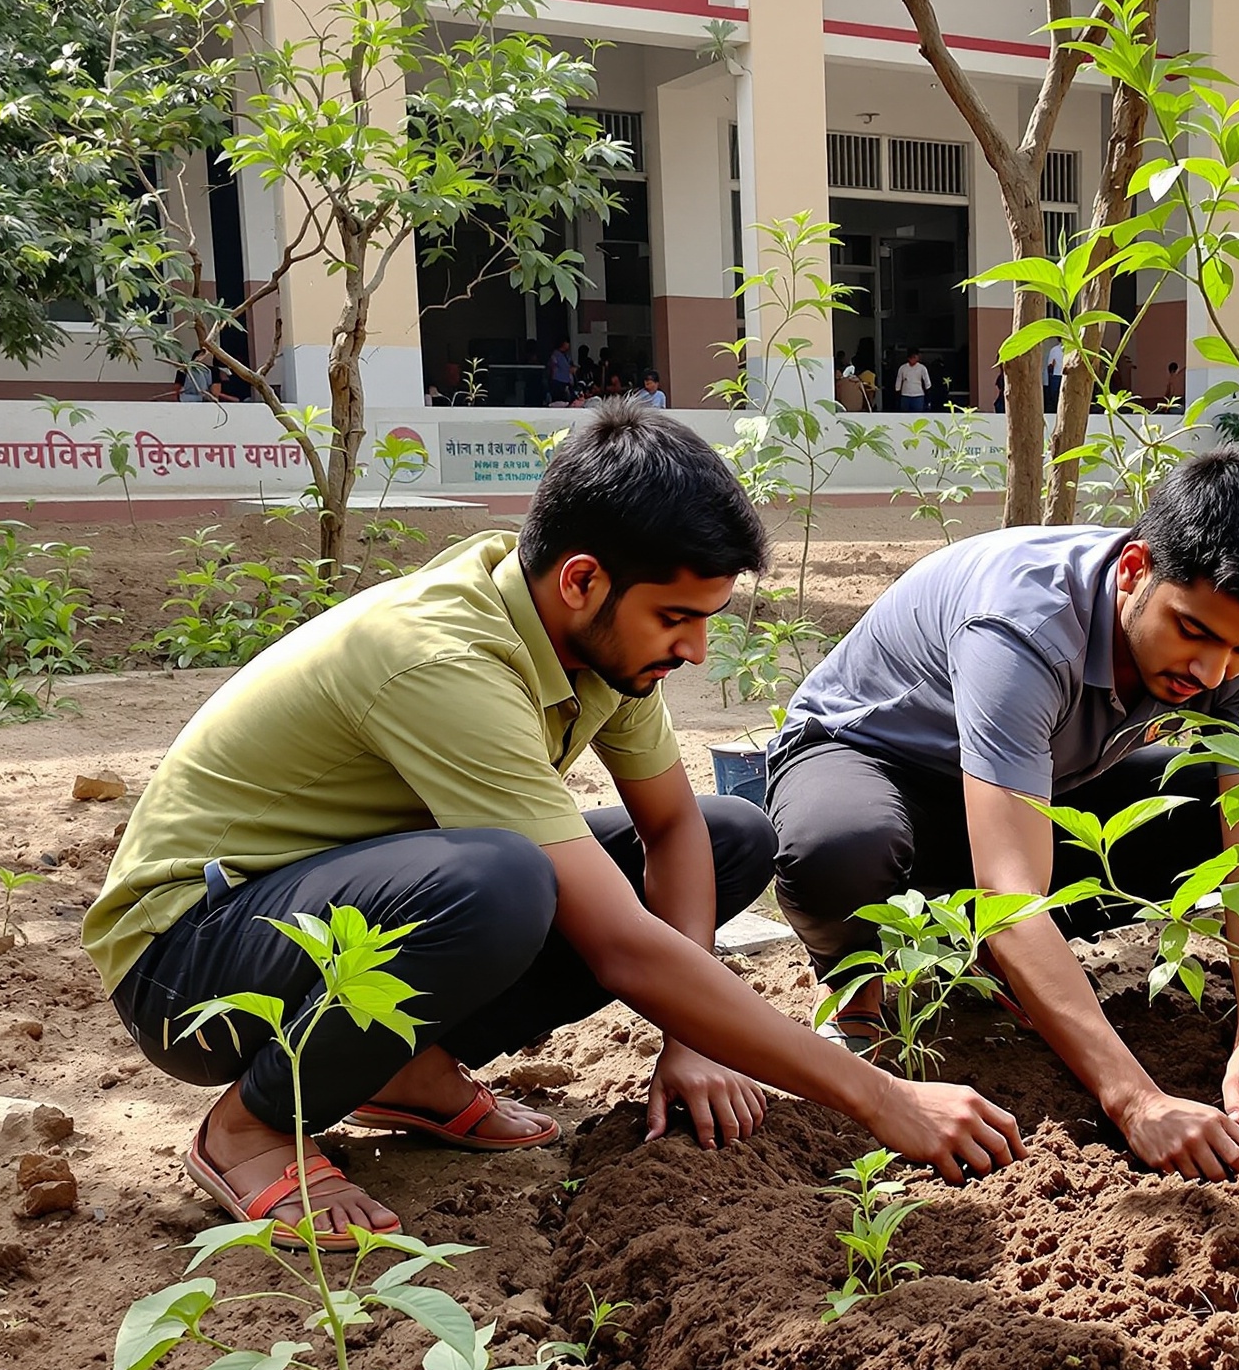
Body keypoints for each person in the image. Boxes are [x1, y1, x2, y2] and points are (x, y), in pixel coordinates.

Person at [85, 401, 1021, 1250]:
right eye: (677, 618)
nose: (693, 648)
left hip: (333, 918)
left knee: (732, 829)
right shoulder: (443, 658)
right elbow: (621, 946)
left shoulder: (597, 649)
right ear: (583, 580)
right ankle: (248, 1128)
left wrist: (690, 1045)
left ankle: (401, 1069)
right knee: (504, 882)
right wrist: (881, 1098)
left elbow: (675, 834)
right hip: (191, 960)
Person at [767, 446, 1239, 1182]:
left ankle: (1010, 962)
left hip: (1033, 786)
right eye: (1194, 633)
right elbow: (1010, 890)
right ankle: (859, 994)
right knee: (841, 848)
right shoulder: (1023, 622)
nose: (1212, 673)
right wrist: (1135, 1100)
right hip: (876, 767)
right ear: (1135, 569)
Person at [547, 338, 576, 406]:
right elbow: (554, 367)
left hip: (566, 382)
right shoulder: (556, 355)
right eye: (567, 343)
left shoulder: (566, 355)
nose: (568, 345)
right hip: (558, 382)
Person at [1043, 340, 1065, 412]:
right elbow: (1050, 364)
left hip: (1066, 375)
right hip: (1056, 375)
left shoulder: (1072, 350)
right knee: (1055, 396)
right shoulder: (1054, 350)